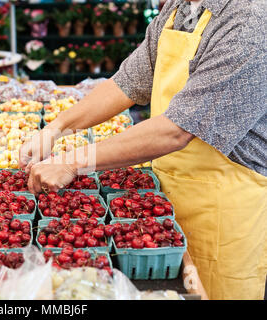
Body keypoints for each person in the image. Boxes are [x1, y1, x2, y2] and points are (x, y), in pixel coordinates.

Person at [19, 0, 266, 300]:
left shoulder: (249, 22)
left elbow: (177, 129)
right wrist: (56, 128)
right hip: (168, 199)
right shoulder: (179, 8)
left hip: (223, 210)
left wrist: (73, 162)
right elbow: (128, 83)